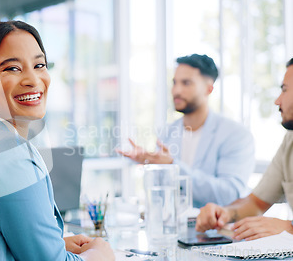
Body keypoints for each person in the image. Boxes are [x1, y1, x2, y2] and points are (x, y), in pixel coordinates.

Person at [0, 21, 114, 261]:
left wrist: (57, 244)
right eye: (12, 69)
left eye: (39, 65)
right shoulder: (3, 152)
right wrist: (100, 255)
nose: (32, 79)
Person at [117, 54, 255, 208]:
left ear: (209, 89)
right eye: (174, 83)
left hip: (217, 230)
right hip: (172, 227)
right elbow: (158, 196)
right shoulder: (168, 133)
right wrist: (151, 165)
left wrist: (173, 166)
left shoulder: (236, 135)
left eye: (186, 83)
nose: (176, 90)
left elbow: (229, 194)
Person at [196, 58, 293, 241]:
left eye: (284, 89)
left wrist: (289, 228)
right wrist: (225, 212)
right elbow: (255, 202)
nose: (277, 100)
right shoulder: (290, 141)